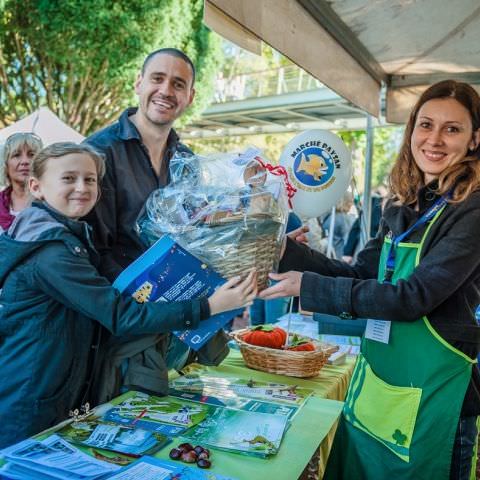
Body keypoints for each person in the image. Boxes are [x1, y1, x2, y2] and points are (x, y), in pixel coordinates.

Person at [260, 80, 480, 479]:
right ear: (411, 130)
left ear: (474, 139)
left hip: (436, 400)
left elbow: (413, 297)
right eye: (426, 125)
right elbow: (364, 274)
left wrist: (308, 287)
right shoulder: (401, 202)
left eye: (452, 129)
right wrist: (289, 254)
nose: (435, 139)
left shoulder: (472, 208)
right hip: (378, 386)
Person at [0, 142, 257, 448]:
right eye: (68, 179)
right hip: (30, 399)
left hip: (46, 390)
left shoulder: (64, 234)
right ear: (36, 187)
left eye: (90, 179)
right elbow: (121, 315)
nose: (81, 188)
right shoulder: (51, 252)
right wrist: (209, 306)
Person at [84, 48, 232, 399]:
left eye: (178, 84)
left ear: (190, 97)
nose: (166, 90)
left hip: (181, 325)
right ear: (139, 83)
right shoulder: (98, 153)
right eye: (157, 78)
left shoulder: (188, 162)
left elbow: (199, 237)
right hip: (124, 332)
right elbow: (91, 250)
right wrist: (145, 299)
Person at [0, 132, 42, 231]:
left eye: (31, 155)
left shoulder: (51, 202)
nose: (25, 161)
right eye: (16, 155)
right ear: (5, 165)